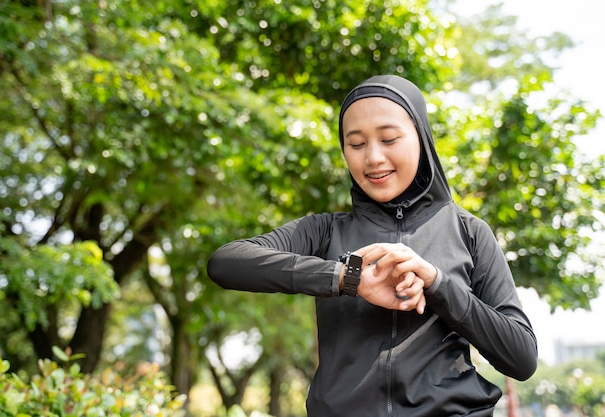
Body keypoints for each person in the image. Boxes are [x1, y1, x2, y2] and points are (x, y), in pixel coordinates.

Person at [207, 74, 538, 416]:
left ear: (421, 138)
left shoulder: (469, 232)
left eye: (389, 138)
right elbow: (226, 262)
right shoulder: (324, 231)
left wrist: (437, 283)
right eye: (356, 144)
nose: (373, 157)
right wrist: (347, 279)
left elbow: (521, 357)